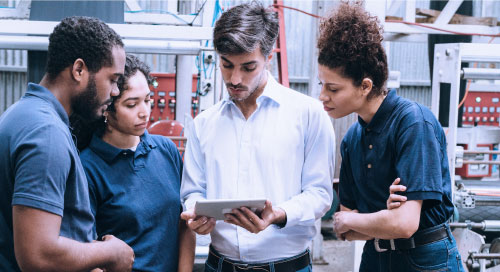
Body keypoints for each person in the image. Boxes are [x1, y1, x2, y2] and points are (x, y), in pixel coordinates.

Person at [180, 2, 335, 272]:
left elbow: (320, 193)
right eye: (226, 65)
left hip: (288, 266)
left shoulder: (308, 115)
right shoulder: (204, 124)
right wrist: (196, 214)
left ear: (269, 58)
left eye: (248, 67)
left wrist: (279, 214)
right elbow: (193, 191)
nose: (235, 78)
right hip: (220, 266)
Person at [316, 3, 464, 271]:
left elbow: (404, 225)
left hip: (425, 260)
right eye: (321, 85)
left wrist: (366, 220)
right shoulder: (352, 139)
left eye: (333, 88)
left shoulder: (412, 123)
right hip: (376, 258)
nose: (322, 96)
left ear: (365, 86)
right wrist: (380, 218)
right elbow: (346, 232)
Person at [0, 16, 134, 271]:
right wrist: (109, 252)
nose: (115, 91)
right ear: (79, 70)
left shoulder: (22, 114)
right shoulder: (46, 133)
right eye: (112, 79)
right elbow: (38, 254)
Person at [79, 54, 195, 272]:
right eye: (131, 104)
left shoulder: (166, 150)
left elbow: (184, 223)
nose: (145, 112)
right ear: (106, 109)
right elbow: (84, 250)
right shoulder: (88, 168)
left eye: (148, 100)